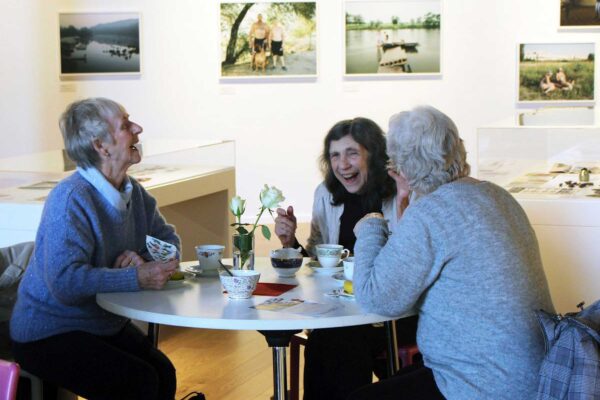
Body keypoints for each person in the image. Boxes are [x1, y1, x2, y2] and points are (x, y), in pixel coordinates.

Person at [348, 106, 554, 400]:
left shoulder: (433, 214)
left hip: (481, 385)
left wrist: (371, 227)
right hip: (536, 376)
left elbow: (376, 297)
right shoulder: (497, 195)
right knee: (400, 380)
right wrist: (409, 200)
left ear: (401, 167)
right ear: (458, 148)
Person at [10, 98, 180, 400]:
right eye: (126, 125)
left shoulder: (133, 192)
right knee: (139, 383)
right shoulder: (70, 199)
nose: (138, 129)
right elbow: (65, 283)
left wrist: (144, 258)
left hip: (99, 322)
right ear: (101, 146)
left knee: (163, 373)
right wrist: (136, 277)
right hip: (49, 330)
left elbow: (168, 241)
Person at [275, 117, 418, 400]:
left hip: (392, 310)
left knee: (335, 339)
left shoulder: (400, 193)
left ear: (374, 154)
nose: (343, 164)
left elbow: (410, 260)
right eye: (335, 155)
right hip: (342, 310)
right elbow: (317, 262)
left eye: (352, 153)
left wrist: (404, 204)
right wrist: (289, 242)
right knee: (334, 335)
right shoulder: (326, 194)